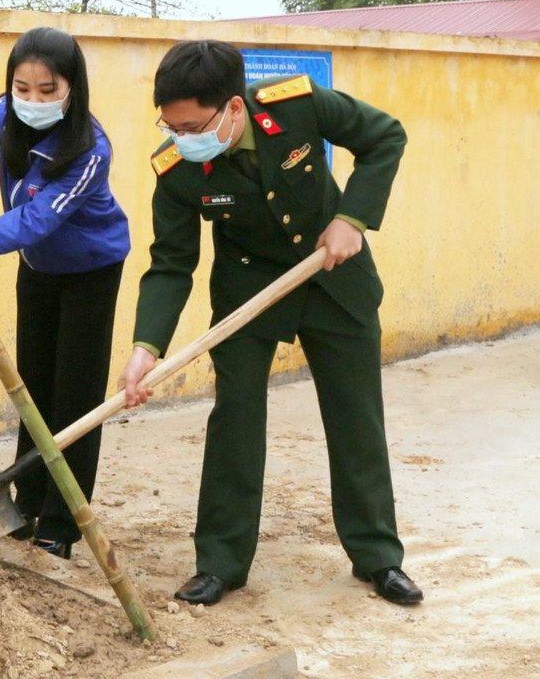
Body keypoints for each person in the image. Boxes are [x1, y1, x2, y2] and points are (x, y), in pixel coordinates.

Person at [118, 39, 422, 607]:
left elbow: (385, 137)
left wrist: (352, 218)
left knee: (356, 416)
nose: (180, 137)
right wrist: (146, 345)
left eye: (191, 125)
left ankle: (378, 557)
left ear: (234, 107)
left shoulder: (298, 105)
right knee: (234, 419)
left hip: (335, 280)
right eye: (170, 125)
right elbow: (171, 263)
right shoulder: (177, 168)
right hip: (248, 291)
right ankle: (221, 563)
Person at [0, 26, 131, 559]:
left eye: (47, 90)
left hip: (90, 273)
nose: (32, 100)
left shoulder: (89, 151)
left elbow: (36, 220)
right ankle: (27, 502)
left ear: (72, 90)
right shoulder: (3, 117)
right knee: (31, 386)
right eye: (22, 87)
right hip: (37, 268)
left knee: (73, 394)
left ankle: (62, 521)